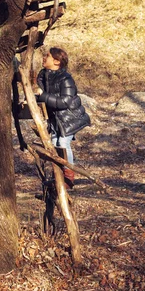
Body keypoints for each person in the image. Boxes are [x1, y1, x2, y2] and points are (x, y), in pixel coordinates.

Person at [36, 47, 91, 188]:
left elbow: (65, 102)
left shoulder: (66, 79)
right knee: (54, 146)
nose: (44, 58)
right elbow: (45, 97)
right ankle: (58, 177)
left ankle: (68, 177)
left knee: (62, 144)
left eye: (47, 56)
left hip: (70, 118)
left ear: (56, 61)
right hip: (56, 120)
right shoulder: (43, 75)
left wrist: (42, 96)